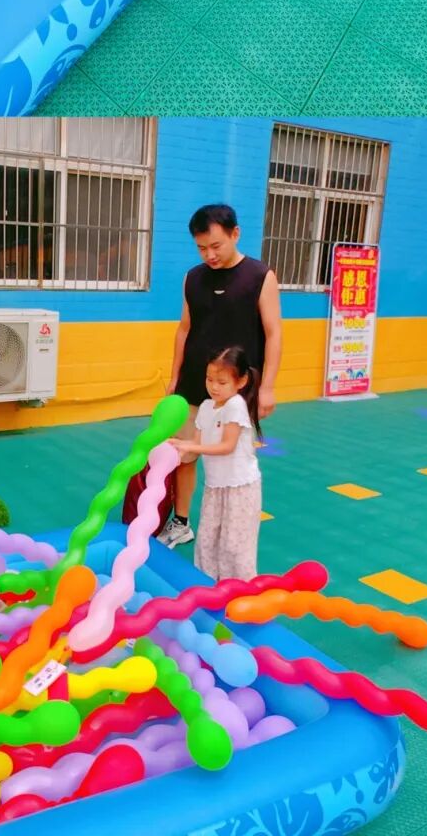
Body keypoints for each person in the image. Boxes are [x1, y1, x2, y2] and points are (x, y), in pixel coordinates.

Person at [159, 203, 281, 551]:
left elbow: (273, 333)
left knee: (231, 458)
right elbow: (184, 329)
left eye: (216, 246)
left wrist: (268, 387)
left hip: (236, 390)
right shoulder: (193, 278)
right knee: (185, 454)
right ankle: (181, 522)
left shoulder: (260, 277)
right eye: (201, 248)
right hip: (194, 383)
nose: (209, 255)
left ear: (235, 234)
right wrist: (174, 378)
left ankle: (230, 528)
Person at [169, 346, 262, 581]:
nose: (213, 387)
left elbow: (227, 446)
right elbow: (197, 442)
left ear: (241, 381)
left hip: (239, 488)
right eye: (209, 379)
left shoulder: (235, 405)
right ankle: (208, 585)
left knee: (235, 545)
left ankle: (240, 588)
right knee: (207, 539)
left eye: (221, 382)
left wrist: (190, 448)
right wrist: (177, 447)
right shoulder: (206, 407)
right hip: (215, 486)